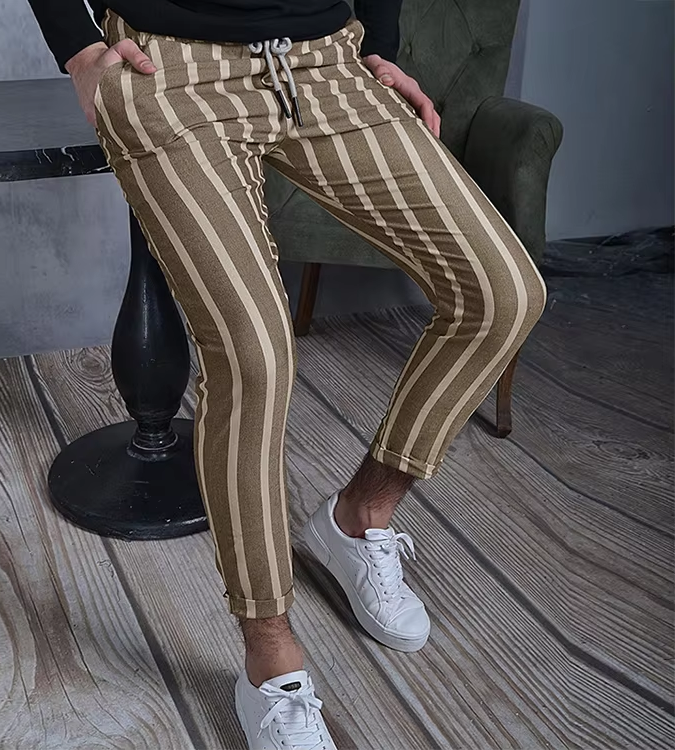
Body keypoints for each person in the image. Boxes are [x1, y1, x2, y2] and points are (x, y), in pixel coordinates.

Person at [27, 2, 547, 748]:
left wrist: (382, 46)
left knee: (503, 293)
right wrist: (77, 48)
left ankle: (360, 515)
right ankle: (270, 662)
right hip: (170, 71)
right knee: (254, 356)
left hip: (328, 62)